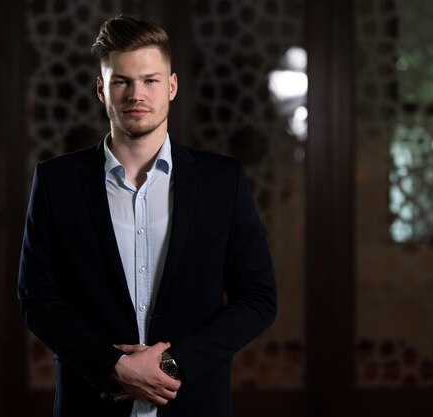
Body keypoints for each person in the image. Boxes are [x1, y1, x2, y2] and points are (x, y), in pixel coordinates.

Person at [18, 14, 277, 417]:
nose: (136, 94)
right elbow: (37, 299)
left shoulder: (221, 181)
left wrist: (173, 365)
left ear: (171, 86)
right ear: (102, 90)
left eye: (150, 80)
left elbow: (258, 298)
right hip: (91, 404)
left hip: (193, 404)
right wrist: (112, 367)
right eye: (122, 81)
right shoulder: (57, 182)